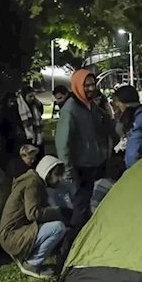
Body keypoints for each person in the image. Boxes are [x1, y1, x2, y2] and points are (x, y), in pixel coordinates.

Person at [55, 69, 117, 229]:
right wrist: (69, 170)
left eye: (93, 84)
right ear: (77, 86)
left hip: (97, 164)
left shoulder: (91, 106)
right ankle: (74, 240)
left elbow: (106, 124)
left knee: (96, 205)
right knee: (81, 209)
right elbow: (63, 143)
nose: (91, 88)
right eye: (86, 85)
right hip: (81, 169)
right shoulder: (70, 110)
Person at [0, 155, 67, 279]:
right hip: (12, 237)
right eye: (57, 175)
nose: (60, 179)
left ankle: (25, 257)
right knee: (58, 227)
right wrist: (58, 211)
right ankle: (31, 264)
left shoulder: (32, 180)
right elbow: (33, 213)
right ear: (48, 173)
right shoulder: (33, 183)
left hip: (10, 235)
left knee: (56, 224)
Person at [16, 86, 45, 153]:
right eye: (30, 96)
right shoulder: (19, 106)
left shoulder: (35, 104)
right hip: (24, 135)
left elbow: (41, 113)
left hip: (36, 133)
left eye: (33, 96)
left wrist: (39, 105)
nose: (32, 98)